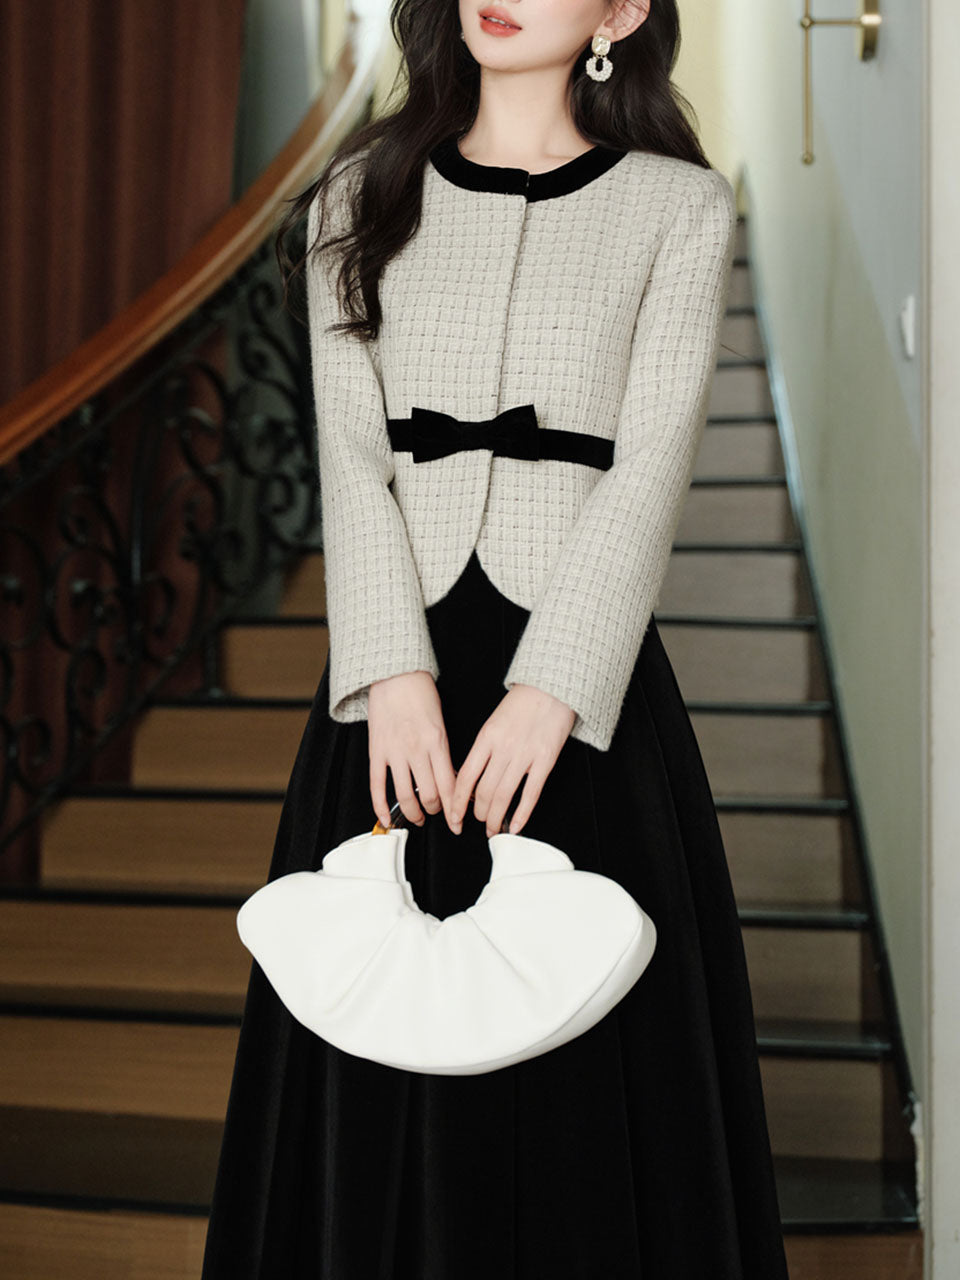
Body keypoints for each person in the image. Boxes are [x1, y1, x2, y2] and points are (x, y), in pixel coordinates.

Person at [201, 1, 791, 1276]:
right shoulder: (359, 192)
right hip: (392, 692)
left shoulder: (679, 207)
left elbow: (651, 467)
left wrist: (553, 689)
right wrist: (389, 669)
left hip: (581, 693)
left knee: (585, 1092)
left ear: (622, 11)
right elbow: (349, 454)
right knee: (375, 1061)